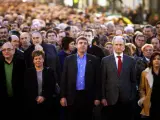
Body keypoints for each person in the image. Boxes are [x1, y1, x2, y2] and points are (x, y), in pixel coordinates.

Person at [60, 36, 101, 120]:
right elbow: (64, 79)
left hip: (88, 96)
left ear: (88, 46)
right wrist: (63, 96)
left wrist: (97, 97)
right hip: (72, 96)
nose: (83, 45)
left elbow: (97, 80)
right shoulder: (69, 59)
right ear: (76, 45)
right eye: (80, 43)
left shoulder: (94, 59)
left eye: (85, 43)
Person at [101, 36, 136, 120]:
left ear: (124, 46)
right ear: (113, 46)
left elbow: (133, 80)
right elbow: (103, 80)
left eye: (121, 44)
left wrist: (132, 96)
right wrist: (103, 97)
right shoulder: (105, 60)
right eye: (116, 44)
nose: (118, 47)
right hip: (110, 98)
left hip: (126, 99)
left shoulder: (130, 61)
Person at [24, 50, 56, 119]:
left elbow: (52, 86)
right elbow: (27, 88)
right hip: (33, 102)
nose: (38, 60)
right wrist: (36, 97)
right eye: (36, 59)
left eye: (40, 58)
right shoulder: (28, 72)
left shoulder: (49, 71)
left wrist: (43, 97)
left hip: (47, 102)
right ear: (33, 60)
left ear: (43, 60)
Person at [0, 42, 26, 119]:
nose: (6, 52)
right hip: (3, 100)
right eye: (4, 50)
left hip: (18, 99)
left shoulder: (21, 62)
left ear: (14, 50)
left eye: (8, 49)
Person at [138, 52, 160, 120]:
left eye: (158, 59)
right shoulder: (145, 73)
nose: (156, 60)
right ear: (151, 61)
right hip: (150, 102)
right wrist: (143, 99)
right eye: (154, 59)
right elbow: (141, 88)